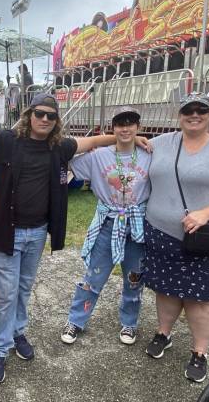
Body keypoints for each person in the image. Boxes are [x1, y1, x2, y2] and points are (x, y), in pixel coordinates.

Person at [0, 93, 149, 384]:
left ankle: (17, 332)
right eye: (39, 113)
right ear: (29, 114)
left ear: (56, 121)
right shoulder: (7, 140)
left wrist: (133, 139)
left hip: (37, 233)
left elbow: (93, 142)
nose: (44, 119)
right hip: (6, 232)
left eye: (51, 116)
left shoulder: (59, 147)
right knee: (5, 294)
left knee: (23, 289)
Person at [142, 92, 209, 383]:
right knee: (165, 290)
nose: (194, 114)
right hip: (161, 234)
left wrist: (206, 213)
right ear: (179, 113)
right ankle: (163, 333)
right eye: (188, 109)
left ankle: (199, 352)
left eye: (201, 109)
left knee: (201, 299)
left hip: (204, 241)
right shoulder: (161, 143)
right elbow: (130, 146)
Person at [61, 107, 151, 346]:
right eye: (120, 123)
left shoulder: (149, 154)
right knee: (93, 274)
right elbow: (65, 153)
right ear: (113, 128)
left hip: (137, 225)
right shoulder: (99, 155)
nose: (125, 127)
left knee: (134, 277)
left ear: (138, 127)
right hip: (108, 223)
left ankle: (129, 323)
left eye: (131, 123)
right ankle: (76, 320)